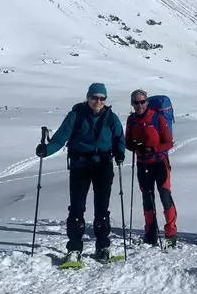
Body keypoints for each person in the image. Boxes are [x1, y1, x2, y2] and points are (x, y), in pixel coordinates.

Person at [35, 83, 125, 263]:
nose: (98, 101)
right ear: (88, 97)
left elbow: (118, 138)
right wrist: (47, 150)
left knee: (102, 208)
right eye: (95, 97)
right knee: (77, 208)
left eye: (102, 98)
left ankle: (103, 247)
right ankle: (74, 248)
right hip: (80, 165)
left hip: (103, 165)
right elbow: (61, 137)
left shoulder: (110, 117)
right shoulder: (75, 115)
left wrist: (120, 152)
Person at [124, 89, 177, 247]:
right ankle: (150, 233)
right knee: (148, 199)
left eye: (142, 102)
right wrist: (135, 147)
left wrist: (153, 149)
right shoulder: (131, 120)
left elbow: (169, 142)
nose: (139, 105)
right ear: (132, 104)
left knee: (165, 197)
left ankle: (171, 234)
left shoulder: (157, 117)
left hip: (159, 162)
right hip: (142, 164)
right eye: (136, 102)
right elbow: (127, 142)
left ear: (147, 102)